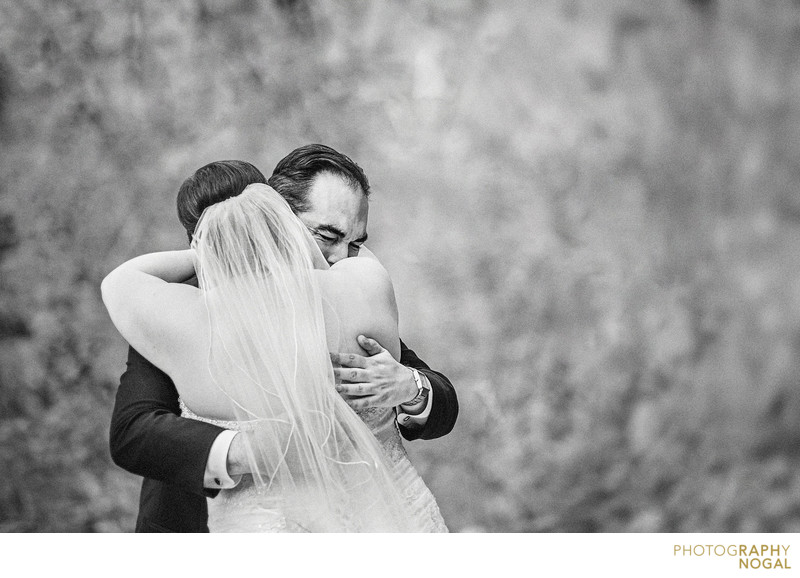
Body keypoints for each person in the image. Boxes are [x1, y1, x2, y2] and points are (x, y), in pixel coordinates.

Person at [109, 149, 458, 532]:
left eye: (355, 243)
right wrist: (247, 452)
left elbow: (441, 399)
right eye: (327, 235)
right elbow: (133, 431)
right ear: (280, 219)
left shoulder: (344, 295)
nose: (342, 256)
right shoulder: (173, 309)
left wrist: (410, 386)